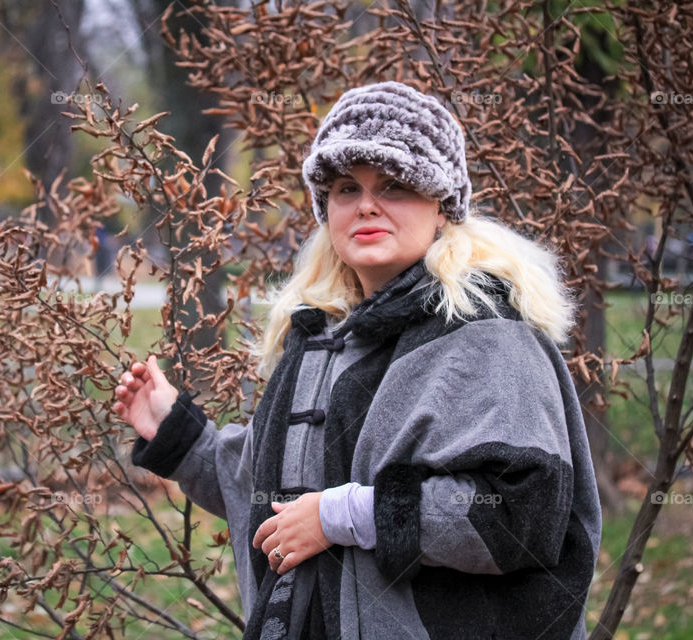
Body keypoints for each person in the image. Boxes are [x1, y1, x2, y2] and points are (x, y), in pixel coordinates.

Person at [112, 81, 602, 640]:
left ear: (442, 206)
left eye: (394, 185)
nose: (367, 204)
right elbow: (276, 493)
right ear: (328, 210)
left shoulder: (488, 337)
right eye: (347, 187)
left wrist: (342, 517)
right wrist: (179, 435)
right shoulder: (321, 336)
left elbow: (524, 516)